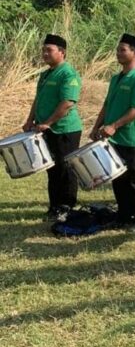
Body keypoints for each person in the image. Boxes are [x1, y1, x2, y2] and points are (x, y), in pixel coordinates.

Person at [89, 33, 135, 233]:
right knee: (118, 177)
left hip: (132, 136)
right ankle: (123, 215)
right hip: (112, 136)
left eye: (122, 49)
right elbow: (107, 104)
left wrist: (114, 126)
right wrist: (96, 126)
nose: (118, 53)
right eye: (118, 49)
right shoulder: (116, 78)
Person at [23, 34, 82, 223]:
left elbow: (67, 102)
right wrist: (30, 119)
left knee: (66, 169)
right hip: (46, 129)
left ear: (62, 52)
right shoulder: (46, 73)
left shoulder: (68, 74)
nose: (45, 53)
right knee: (52, 168)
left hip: (65, 129)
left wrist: (48, 122)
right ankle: (55, 205)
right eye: (43, 50)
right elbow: (38, 99)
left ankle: (67, 207)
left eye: (49, 50)